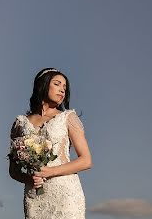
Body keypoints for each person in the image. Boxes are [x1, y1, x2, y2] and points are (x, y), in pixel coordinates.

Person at [9, 67, 93, 219]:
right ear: (43, 84)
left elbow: (86, 161)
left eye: (65, 87)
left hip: (65, 193)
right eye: (57, 84)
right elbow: (13, 171)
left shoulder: (68, 117)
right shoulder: (21, 123)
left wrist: (51, 171)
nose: (62, 90)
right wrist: (30, 178)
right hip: (35, 196)